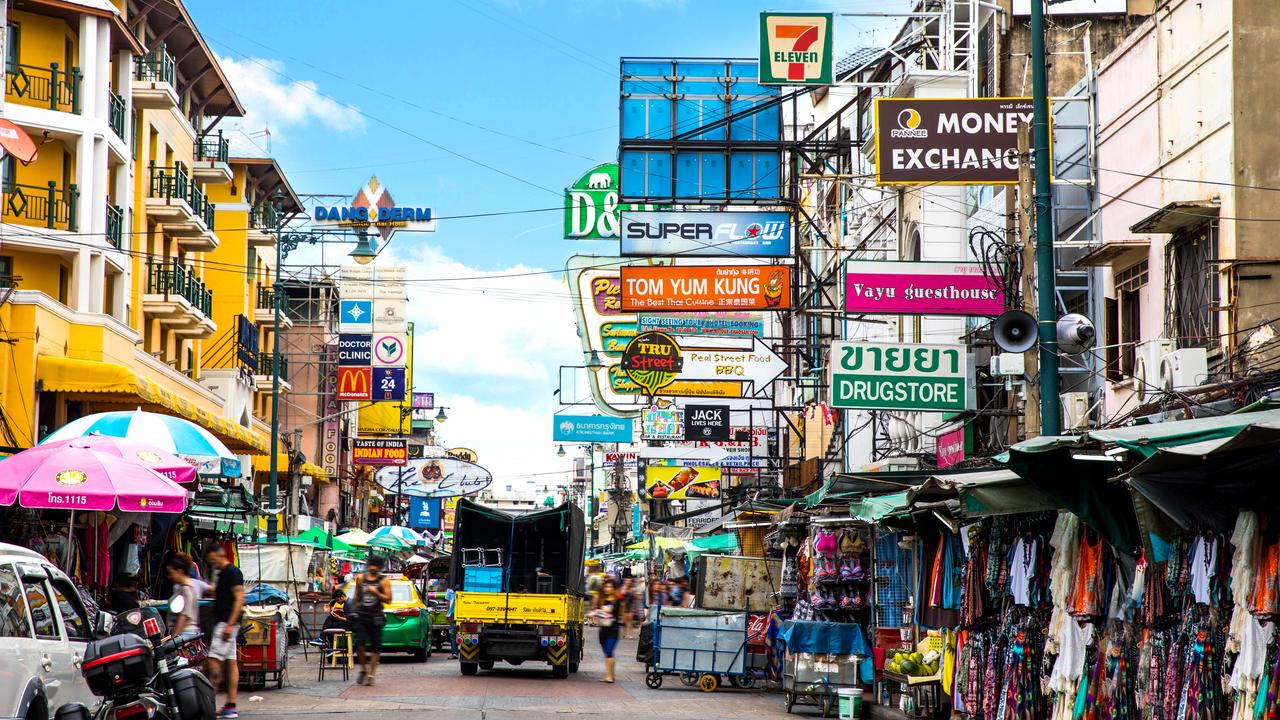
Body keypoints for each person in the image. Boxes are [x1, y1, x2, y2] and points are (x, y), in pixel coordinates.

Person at [205, 544, 244, 719]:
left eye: (211, 559)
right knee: (230, 662)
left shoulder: (233, 572)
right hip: (226, 623)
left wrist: (230, 624)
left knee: (213, 662)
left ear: (218, 555)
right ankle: (231, 705)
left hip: (226, 624)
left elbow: (239, 599)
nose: (211, 563)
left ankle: (208, 704)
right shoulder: (221, 574)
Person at [350, 556, 392, 686]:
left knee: (375, 647)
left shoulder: (383, 581)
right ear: (368, 566)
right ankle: (363, 669)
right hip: (361, 616)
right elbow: (357, 596)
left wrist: (376, 593)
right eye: (371, 565)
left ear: (379, 567)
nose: (373, 568)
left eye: (376, 566)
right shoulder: (361, 579)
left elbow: (389, 599)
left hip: (376, 617)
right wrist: (353, 610)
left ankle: (371, 674)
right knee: (360, 645)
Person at [165, 556, 200, 638]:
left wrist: (174, 636)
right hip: (186, 633)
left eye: (171, 573)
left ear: (179, 571)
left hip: (184, 634)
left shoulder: (186, 590)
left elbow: (184, 615)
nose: (169, 576)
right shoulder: (186, 588)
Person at [593, 577, 621, 683]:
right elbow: (598, 611)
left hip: (613, 629)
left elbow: (613, 612)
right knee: (607, 653)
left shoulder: (617, 600)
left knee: (609, 651)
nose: (608, 588)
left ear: (613, 588)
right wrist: (596, 613)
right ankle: (610, 675)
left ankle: (609, 677)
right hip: (603, 630)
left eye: (610, 586)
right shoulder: (602, 599)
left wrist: (601, 611)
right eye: (606, 586)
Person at [446, 583, 458, 659]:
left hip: (456, 613)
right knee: (453, 634)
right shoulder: (449, 590)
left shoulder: (450, 589)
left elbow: (448, 602)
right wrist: (448, 613)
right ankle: (455, 653)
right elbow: (448, 602)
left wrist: (448, 614)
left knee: (453, 634)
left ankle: (455, 653)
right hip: (454, 614)